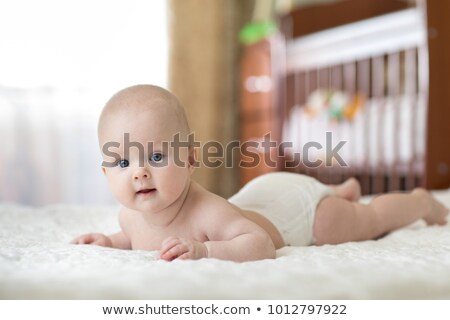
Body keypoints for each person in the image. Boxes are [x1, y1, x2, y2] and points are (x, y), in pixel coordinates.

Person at [71, 85, 449, 262]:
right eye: (123, 163)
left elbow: (261, 245)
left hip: (298, 214)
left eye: (155, 156)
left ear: (189, 160)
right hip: (266, 192)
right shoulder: (130, 216)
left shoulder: (208, 213)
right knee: (340, 200)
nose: (138, 173)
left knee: (365, 220)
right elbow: (135, 236)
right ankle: (341, 189)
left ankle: (418, 203)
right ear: (105, 173)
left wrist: (205, 250)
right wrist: (110, 241)